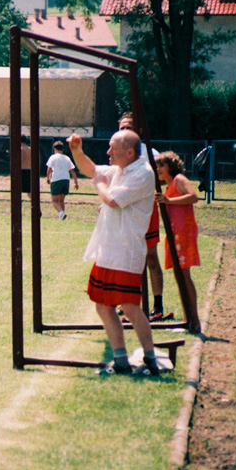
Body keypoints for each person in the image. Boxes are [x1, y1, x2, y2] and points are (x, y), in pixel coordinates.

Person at [67, 129, 160, 376]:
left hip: (125, 252)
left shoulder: (142, 174)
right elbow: (92, 170)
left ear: (129, 152)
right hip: (109, 250)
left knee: (129, 306)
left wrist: (99, 185)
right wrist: (77, 151)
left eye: (112, 148)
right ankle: (120, 361)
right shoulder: (121, 169)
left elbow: (112, 200)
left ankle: (150, 359)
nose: (108, 152)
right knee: (102, 305)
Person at [118, 113, 169, 320]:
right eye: (121, 128)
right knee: (127, 258)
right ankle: (128, 303)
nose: (124, 131)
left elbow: (165, 176)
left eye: (128, 127)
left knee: (150, 257)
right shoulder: (116, 152)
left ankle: (157, 305)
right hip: (126, 211)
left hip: (146, 210)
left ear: (138, 130)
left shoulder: (149, 152)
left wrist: (153, 189)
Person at [155, 151, 202, 332]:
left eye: (162, 166)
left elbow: (193, 197)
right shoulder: (166, 187)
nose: (158, 169)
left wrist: (169, 200)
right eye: (157, 166)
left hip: (183, 232)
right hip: (173, 233)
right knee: (178, 276)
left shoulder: (179, 180)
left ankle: (194, 321)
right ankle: (186, 319)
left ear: (172, 167)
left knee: (184, 276)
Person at [45, 141, 78, 220]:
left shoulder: (53, 157)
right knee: (61, 200)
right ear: (63, 149)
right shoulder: (67, 158)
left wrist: (48, 178)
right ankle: (61, 217)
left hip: (56, 179)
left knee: (54, 201)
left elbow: (49, 169)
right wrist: (76, 182)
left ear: (54, 149)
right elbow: (72, 171)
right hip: (66, 180)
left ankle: (61, 213)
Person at [20, 135, 32, 200]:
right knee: (29, 191)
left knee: (18, 189)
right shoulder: (30, 149)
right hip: (29, 170)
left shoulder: (20, 149)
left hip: (21, 170)